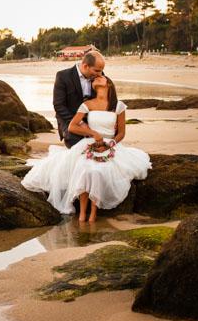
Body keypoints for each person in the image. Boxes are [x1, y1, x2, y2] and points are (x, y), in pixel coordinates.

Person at [22, 75, 151, 222]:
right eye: (94, 78)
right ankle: (83, 212)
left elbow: (121, 133)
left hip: (110, 144)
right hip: (90, 142)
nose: (96, 78)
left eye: (100, 77)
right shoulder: (87, 104)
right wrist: (93, 133)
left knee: (98, 171)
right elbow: (72, 126)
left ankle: (94, 212)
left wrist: (110, 144)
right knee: (84, 169)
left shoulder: (118, 106)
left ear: (108, 83)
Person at [53, 51, 105, 148]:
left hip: (93, 118)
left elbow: (108, 99)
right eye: (97, 71)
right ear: (85, 66)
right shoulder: (63, 76)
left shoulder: (99, 76)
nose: (100, 74)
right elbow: (59, 105)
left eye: (101, 70)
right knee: (77, 141)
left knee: (106, 138)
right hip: (69, 118)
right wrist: (79, 123)